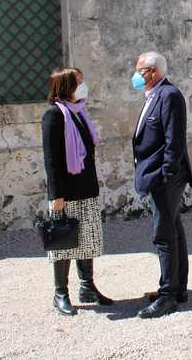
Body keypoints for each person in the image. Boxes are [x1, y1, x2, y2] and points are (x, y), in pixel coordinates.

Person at [41, 67, 113, 316]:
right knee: (63, 242)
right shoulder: (54, 116)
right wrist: (56, 196)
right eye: (78, 82)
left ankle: (88, 287)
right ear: (65, 87)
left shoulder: (79, 112)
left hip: (86, 188)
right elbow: (51, 160)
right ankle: (60, 293)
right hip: (66, 192)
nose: (83, 86)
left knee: (88, 239)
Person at [131, 51, 192, 319]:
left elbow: (174, 139)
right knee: (173, 228)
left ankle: (168, 295)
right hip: (157, 174)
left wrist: (166, 174)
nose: (135, 75)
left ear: (153, 71)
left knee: (163, 235)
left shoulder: (169, 95)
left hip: (165, 177)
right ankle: (177, 287)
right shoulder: (153, 95)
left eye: (139, 70)